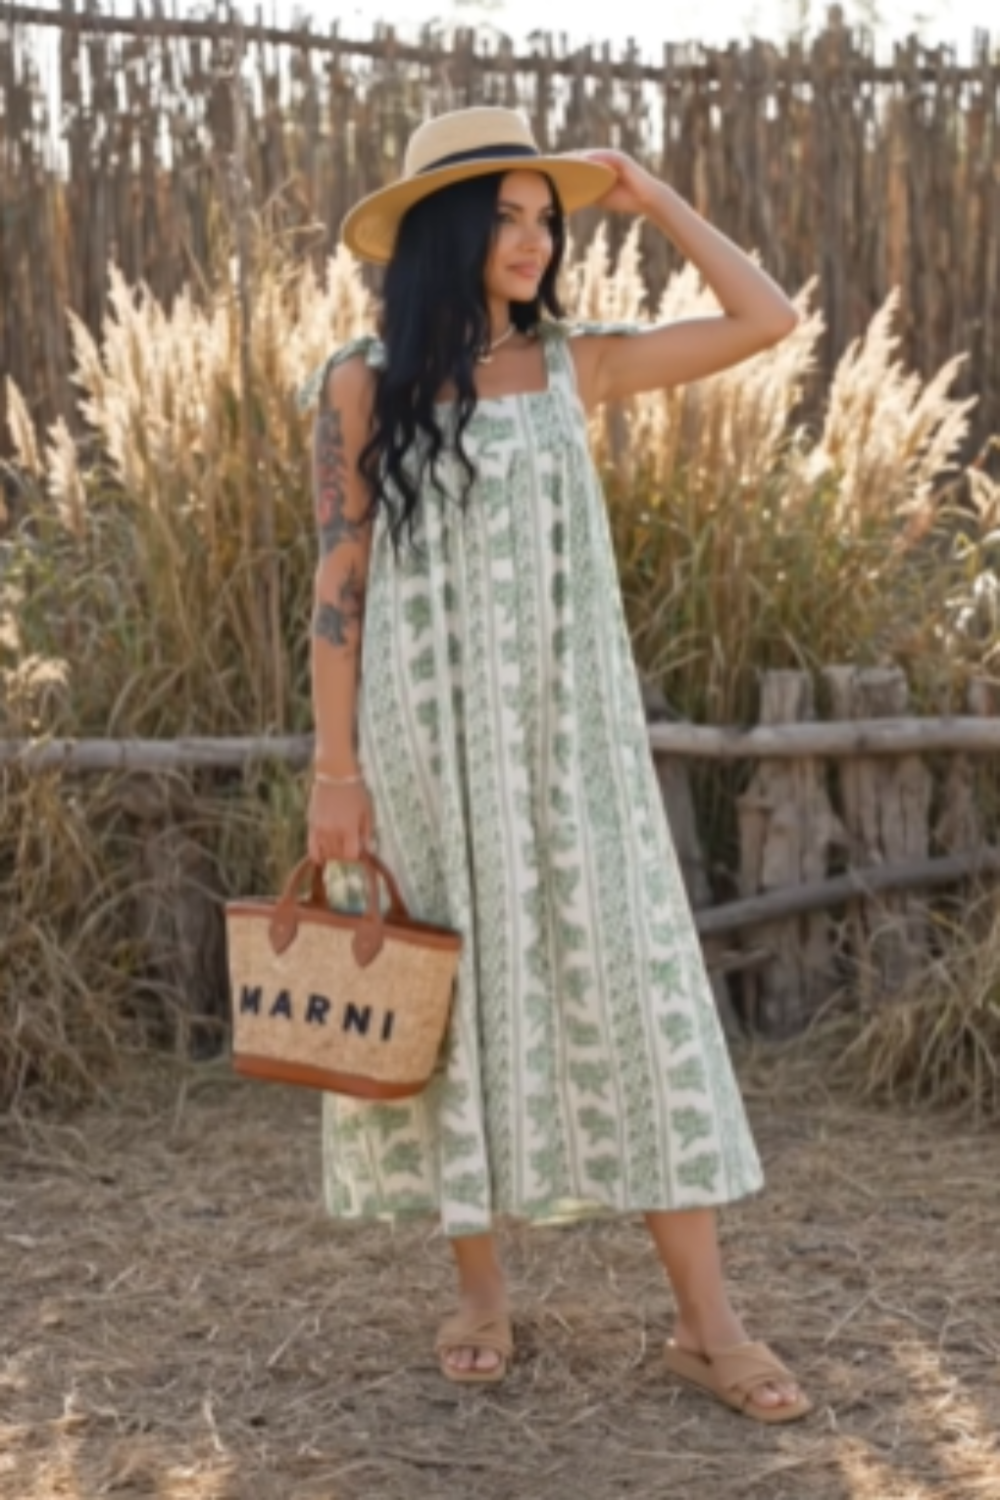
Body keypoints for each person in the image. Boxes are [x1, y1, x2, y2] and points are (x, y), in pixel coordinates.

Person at [301, 105, 810, 1422]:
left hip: (572, 746)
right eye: (506, 215)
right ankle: (479, 1297)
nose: (533, 239)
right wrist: (335, 776)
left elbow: (768, 321)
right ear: (445, 233)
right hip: (422, 740)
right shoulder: (359, 383)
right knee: (451, 1002)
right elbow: (336, 590)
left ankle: (711, 1325)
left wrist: (659, 201)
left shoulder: (579, 365)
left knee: (630, 994)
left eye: (548, 217)